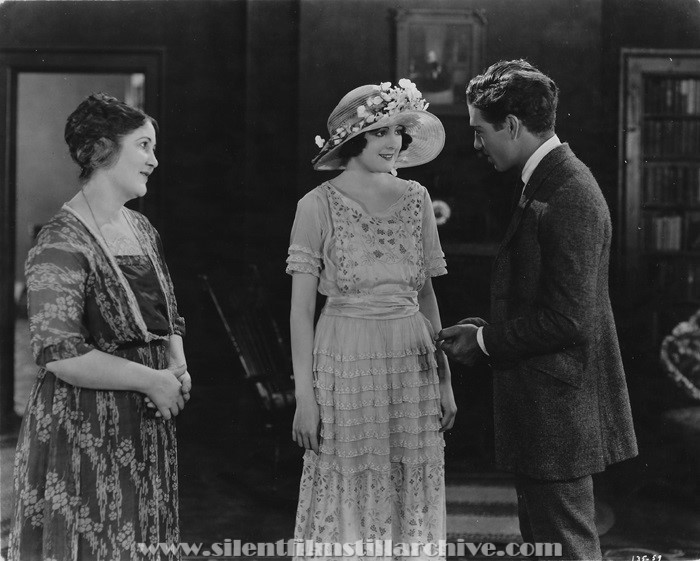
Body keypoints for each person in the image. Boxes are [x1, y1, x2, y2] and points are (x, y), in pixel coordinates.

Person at [436, 60, 638, 560]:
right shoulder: (547, 181)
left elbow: (569, 320)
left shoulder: (569, 192)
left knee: (566, 549)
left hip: (558, 413)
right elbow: (552, 305)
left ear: (511, 125)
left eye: (481, 131)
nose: (477, 145)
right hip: (547, 408)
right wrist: (487, 329)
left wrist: (484, 342)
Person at [9, 93, 191, 560]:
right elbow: (60, 352)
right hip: (85, 422)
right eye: (144, 146)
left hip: (148, 420)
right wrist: (152, 380)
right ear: (103, 150)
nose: (154, 160)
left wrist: (176, 363)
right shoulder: (61, 239)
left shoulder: (142, 229)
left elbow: (168, 315)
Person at [287, 79, 457, 558]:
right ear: (351, 138)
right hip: (346, 354)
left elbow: (426, 295)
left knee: (410, 481)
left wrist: (445, 381)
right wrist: (305, 397)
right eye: (381, 132)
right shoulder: (315, 205)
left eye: (399, 131)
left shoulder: (417, 198)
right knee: (348, 480)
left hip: (412, 356)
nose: (394, 143)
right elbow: (301, 311)